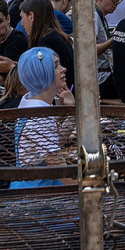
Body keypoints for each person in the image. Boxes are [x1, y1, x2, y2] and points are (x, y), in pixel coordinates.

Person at [9, 47, 76, 190]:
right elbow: (58, 167)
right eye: (56, 66)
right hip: (35, 192)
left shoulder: (30, 100)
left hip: (29, 184)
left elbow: (53, 142)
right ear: (41, 73)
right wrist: (88, 189)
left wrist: (72, 113)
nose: (63, 69)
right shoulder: (40, 116)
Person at [18, 0, 75, 88]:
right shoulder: (55, 37)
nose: (21, 23)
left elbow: (40, 78)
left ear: (31, 16)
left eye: (22, 18)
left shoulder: (48, 43)